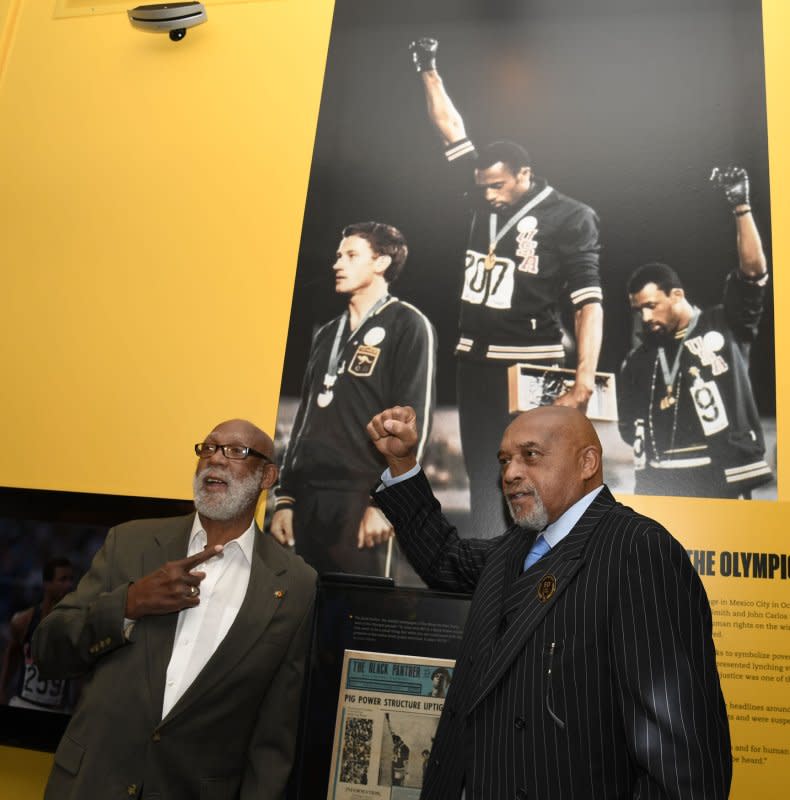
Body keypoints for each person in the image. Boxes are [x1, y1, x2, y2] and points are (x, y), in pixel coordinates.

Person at [366, 404, 731, 799]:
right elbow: (444, 559)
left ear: (587, 462)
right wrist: (402, 464)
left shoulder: (636, 550)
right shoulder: (515, 548)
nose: (510, 473)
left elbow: (683, 762)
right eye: (505, 460)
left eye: (530, 455)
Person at [32, 419, 317, 800]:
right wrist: (128, 604)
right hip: (90, 785)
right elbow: (48, 651)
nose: (215, 459)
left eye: (235, 452)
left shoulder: (295, 584)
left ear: (267, 477)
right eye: (208, 449)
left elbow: (274, 739)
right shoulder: (130, 543)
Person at [408, 37, 603, 536]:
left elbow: (588, 303)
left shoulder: (571, 216)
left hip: (530, 363)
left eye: (498, 186)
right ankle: (484, 572)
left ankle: (541, 568)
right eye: (483, 188)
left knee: (533, 471)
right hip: (473, 358)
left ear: (525, 175)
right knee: (481, 471)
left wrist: (583, 379)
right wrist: (428, 68)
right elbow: (450, 126)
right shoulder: (479, 198)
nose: (489, 196)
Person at [271, 221, 436, 575]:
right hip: (309, 500)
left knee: (355, 618)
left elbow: (412, 422)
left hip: (363, 501)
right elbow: (303, 422)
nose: (337, 264)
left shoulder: (409, 325)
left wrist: (386, 504)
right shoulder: (327, 333)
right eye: (337, 256)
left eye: (351, 255)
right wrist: (286, 499)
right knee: (301, 615)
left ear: (381, 263)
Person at [618, 165, 772, 498]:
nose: (644, 317)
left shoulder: (725, 323)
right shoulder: (640, 358)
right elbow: (629, 430)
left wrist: (741, 208)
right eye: (638, 309)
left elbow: (753, 273)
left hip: (720, 480)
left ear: (677, 295)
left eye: (651, 305)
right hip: (661, 483)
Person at [0, 558, 74, 711]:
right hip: (24, 705)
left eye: (71, 580)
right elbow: (12, 653)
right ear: (47, 584)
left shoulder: (75, 624)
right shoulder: (24, 621)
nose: (69, 585)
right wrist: (2, 688)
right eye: (62, 580)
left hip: (57, 710)